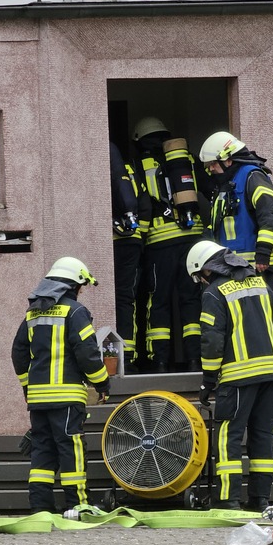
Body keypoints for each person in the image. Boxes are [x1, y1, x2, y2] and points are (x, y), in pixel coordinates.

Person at [186, 240, 273, 511]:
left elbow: (212, 340)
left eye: (199, 277)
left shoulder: (215, 293)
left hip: (237, 378)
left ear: (206, 270)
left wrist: (208, 380)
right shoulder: (260, 284)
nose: (201, 283)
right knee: (264, 435)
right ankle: (260, 499)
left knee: (228, 436)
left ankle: (228, 500)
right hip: (271, 375)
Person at [11, 257, 110, 514]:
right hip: (66, 398)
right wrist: (102, 383)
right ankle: (77, 504)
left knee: (42, 450)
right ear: (73, 285)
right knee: (70, 448)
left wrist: (26, 387)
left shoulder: (32, 313)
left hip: (38, 399)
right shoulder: (75, 312)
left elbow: (18, 353)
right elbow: (87, 352)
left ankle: (40, 507)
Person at [132, 117, 207, 373]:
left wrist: (139, 241)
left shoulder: (139, 164)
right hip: (192, 241)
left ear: (139, 139)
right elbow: (208, 189)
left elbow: (139, 202)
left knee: (159, 302)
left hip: (159, 243)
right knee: (192, 300)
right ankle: (195, 359)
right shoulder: (186, 159)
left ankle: (160, 362)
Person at [198, 131, 273, 292]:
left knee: (259, 314)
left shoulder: (253, 176)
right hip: (234, 265)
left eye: (213, 163)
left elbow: (270, 214)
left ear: (228, 160)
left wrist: (263, 253)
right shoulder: (225, 184)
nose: (210, 169)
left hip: (258, 265)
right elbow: (217, 224)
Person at [110, 140, 151, 374]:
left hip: (113, 243)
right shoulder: (131, 173)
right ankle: (129, 356)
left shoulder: (104, 171)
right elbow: (144, 205)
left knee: (113, 297)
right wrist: (140, 237)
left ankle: (117, 358)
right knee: (127, 299)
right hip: (132, 242)